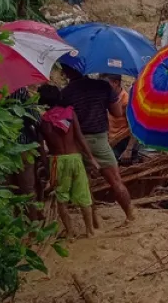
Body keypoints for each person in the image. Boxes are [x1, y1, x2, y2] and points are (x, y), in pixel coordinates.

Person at [60, 64, 135, 224]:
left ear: (66, 72)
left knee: (84, 184)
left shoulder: (65, 94)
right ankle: (130, 215)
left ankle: (94, 221)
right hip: (100, 140)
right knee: (115, 181)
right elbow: (117, 113)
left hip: (77, 143)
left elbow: (64, 123)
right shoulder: (102, 86)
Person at [38, 85, 99, 239]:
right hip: (75, 158)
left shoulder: (44, 121)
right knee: (84, 196)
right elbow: (80, 137)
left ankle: (70, 233)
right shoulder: (70, 113)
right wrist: (91, 158)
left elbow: (41, 149)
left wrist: (47, 169)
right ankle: (90, 231)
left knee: (61, 198)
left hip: (56, 161)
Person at [8, 87, 45, 221]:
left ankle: (15, 226)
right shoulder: (18, 89)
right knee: (28, 188)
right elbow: (36, 119)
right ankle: (33, 226)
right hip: (23, 146)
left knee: (9, 189)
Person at [101, 74, 138, 165]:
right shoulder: (110, 98)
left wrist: (128, 150)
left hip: (124, 142)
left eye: (105, 83)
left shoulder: (126, 101)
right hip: (113, 141)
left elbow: (135, 127)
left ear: (116, 83)